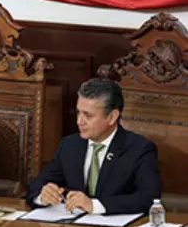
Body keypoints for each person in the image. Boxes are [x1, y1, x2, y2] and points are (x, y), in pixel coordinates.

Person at [27, 78, 161, 215]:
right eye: (78, 112)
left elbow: (148, 198)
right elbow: (37, 184)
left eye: (88, 115)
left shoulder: (139, 149)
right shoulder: (70, 145)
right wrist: (43, 195)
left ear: (112, 117)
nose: (79, 121)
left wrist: (94, 205)